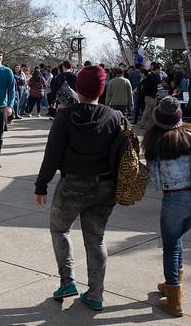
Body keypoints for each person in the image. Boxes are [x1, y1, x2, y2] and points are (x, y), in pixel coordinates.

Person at [35, 65, 122, 311]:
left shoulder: (65, 117)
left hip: (72, 185)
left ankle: (67, 282)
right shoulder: (115, 117)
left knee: (59, 230)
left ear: (78, 88)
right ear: (101, 89)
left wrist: (41, 185)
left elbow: (52, 155)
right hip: (105, 186)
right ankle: (95, 295)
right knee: (96, 240)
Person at [143, 96, 191, 317]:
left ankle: (174, 300)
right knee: (176, 240)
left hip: (174, 199)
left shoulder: (156, 142)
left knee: (170, 245)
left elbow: (156, 183)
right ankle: (173, 283)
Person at [139, 63, 161, 128]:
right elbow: (147, 86)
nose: (160, 71)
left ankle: (150, 124)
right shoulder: (150, 76)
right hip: (149, 96)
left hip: (153, 96)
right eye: (159, 70)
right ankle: (142, 124)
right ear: (156, 69)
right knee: (147, 110)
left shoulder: (153, 76)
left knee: (152, 110)